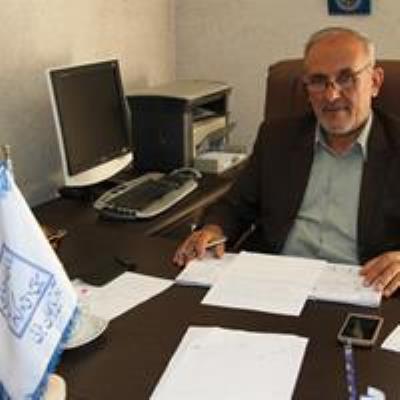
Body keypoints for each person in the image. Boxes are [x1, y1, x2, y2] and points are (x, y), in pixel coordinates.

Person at [173, 27, 400, 298]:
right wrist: (213, 230)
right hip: (274, 283)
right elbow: (235, 206)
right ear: (306, 88)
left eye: (346, 78)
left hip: (362, 289)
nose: (331, 95)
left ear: (374, 82)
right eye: (318, 81)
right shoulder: (277, 137)